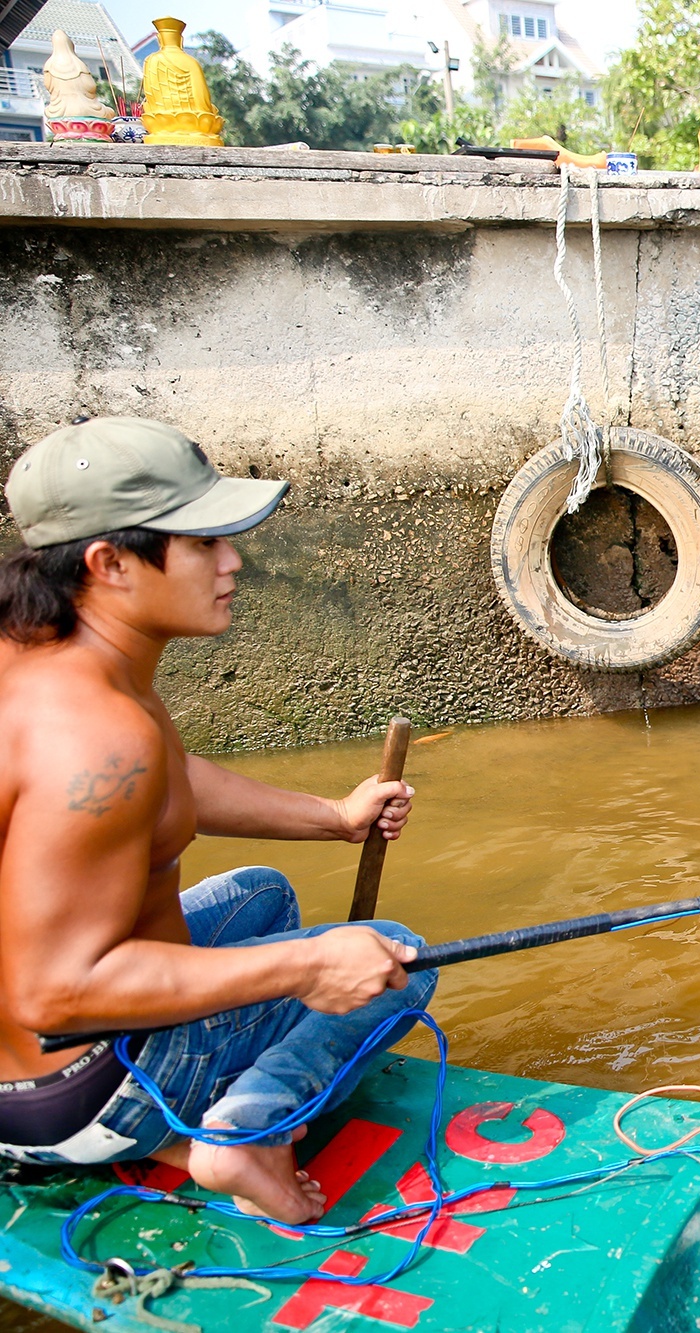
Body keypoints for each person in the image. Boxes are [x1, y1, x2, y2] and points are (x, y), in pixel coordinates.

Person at [0, 417, 435, 1225]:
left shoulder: (44, 653)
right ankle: (241, 1135)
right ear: (109, 563)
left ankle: (171, 1126)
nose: (233, 560)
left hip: (25, 1076)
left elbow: (173, 776)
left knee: (261, 895)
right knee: (398, 953)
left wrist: (336, 818)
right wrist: (305, 969)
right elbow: (55, 992)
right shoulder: (99, 739)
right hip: (71, 1090)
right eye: (202, 542)